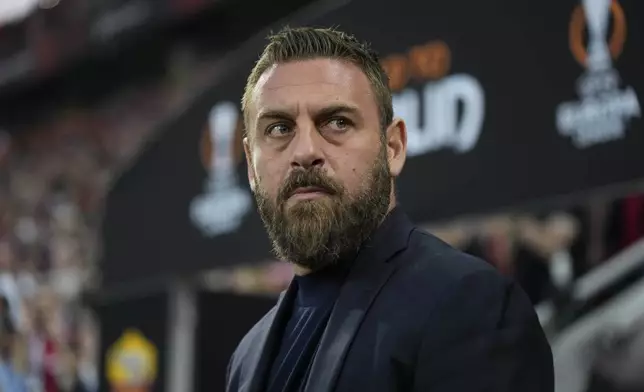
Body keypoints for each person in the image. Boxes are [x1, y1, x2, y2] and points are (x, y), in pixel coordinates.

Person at [226, 26, 553, 392]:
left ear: (393, 147)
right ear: (252, 169)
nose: (304, 152)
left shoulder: (471, 305)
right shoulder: (247, 356)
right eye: (279, 128)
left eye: (337, 122)